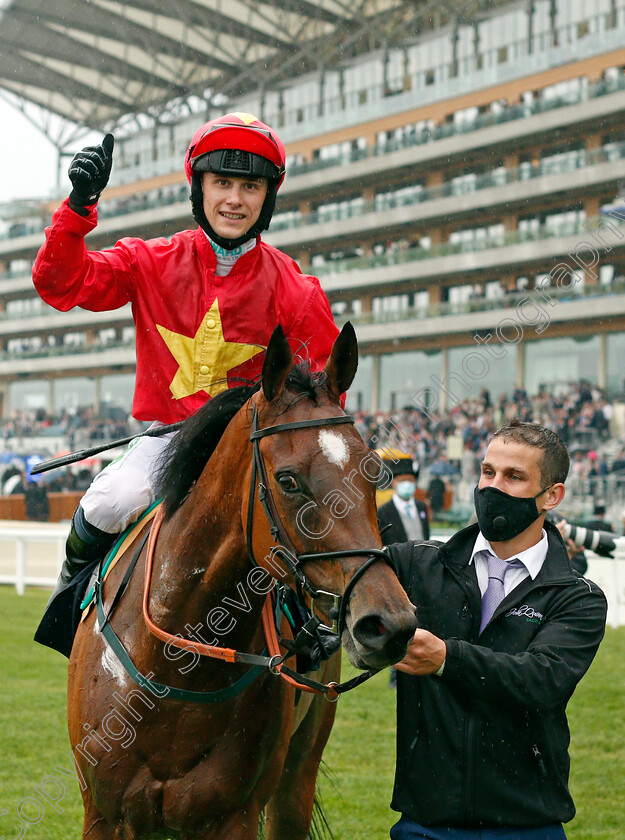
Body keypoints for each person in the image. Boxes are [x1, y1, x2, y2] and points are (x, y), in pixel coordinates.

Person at [32, 112, 339, 651]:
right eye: (223, 182)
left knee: (296, 519)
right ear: (199, 187)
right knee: (108, 499)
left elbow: (324, 390)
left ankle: (312, 621)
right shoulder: (147, 260)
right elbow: (61, 283)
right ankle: (70, 599)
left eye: (251, 186)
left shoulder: (297, 290)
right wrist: (78, 208)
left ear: (268, 197)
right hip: (168, 439)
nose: (235, 199)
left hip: (251, 447)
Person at [387, 420, 607, 840]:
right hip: (425, 823)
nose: (493, 487)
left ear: (552, 495)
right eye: (488, 472)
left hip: (526, 824)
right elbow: (333, 576)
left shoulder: (578, 597)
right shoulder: (416, 565)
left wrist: (447, 660)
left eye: (514, 476)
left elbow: (542, 680)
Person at [378, 458, 430, 545]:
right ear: (394, 483)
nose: (407, 483)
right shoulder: (383, 512)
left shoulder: (421, 506)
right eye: (402, 480)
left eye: (410, 480)